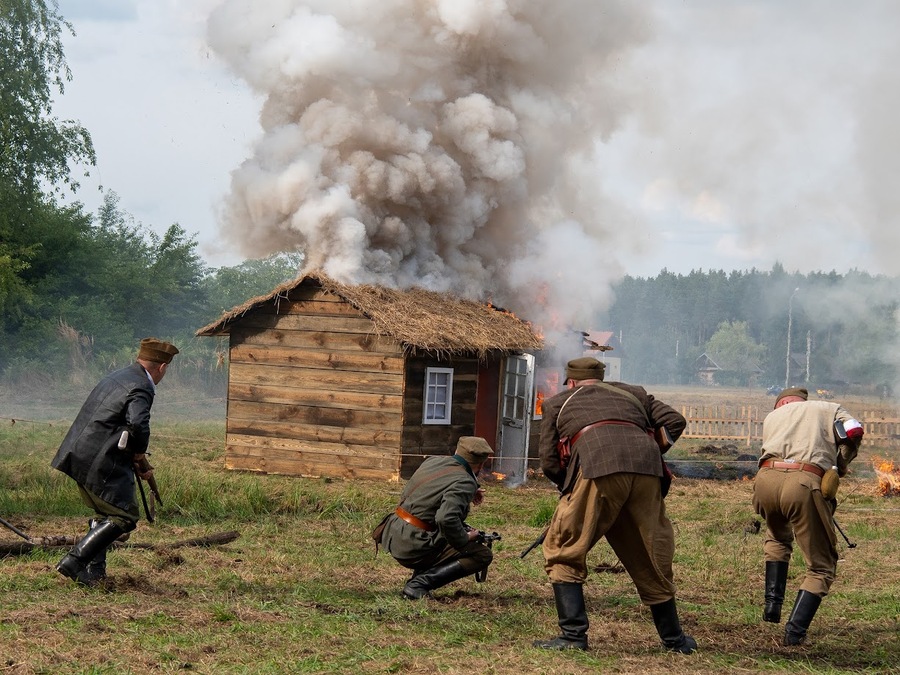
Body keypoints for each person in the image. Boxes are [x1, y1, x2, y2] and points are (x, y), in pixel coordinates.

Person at [533, 356, 696, 654]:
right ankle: (675, 640)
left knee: (563, 547)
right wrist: (647, 448)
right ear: (601, 377)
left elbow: (548, 461)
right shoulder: (633, 392)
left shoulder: (558, 402)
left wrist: (568, 489)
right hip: (648, 468)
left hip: (599, 466)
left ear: (570, 381)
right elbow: (675, 421)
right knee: (649, 554)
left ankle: (572, 636)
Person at [51, 337, 179, 586]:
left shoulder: (118, 376)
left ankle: (96, 573)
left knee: (105, 512)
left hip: (82, 453)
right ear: (162, 367)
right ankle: (74, 562)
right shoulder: (142, 386)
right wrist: (139, 453)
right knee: (125, 516)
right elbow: (138, 424)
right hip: (100, 459)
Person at [752, 386, 863, 646]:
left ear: (782, 403)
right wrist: (842, 463)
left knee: (778, 538)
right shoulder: (828, 408)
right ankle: (794, 633)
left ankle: (772, 605)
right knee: (821, 566)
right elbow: (854, 430)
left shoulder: (772, 417)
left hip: (765, 481)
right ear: (803, 400)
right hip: (803, 482)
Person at [379, 436, 494, 599]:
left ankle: (418, 578)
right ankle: (418, 585)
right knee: (482, 554)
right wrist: (466, 537)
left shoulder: (432, 461)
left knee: (446, 534)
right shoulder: (464, 482)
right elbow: (446, 518)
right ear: (481, 464)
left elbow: (436, 488)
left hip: (394, 532)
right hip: (412, 544)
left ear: (456, 451)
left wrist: (471, 490)